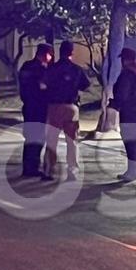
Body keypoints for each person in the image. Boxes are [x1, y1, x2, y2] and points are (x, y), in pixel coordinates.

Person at [40, 41, 91, 182]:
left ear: (60, 51)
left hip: (54, 107)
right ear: (72, 53)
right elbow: (86, 86)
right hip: (71, 108)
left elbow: (42, 85)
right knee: (72, 141)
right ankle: (72, 171)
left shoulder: (51, 69)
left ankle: (49, 171)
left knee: (51, 140)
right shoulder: (77, 69)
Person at [110, 47, 136, 182]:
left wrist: (115, 104)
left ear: (125, 59)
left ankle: (131, 171)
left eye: (122, 59)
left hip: (128, 110)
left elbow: (122, 93)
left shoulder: (127, 74)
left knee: (129, 141)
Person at [18, 43, 54, 178]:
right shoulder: (39, 70)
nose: (50, 58)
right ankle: (32, 167)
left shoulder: (26, 66)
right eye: (50, 54)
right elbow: (44, 88)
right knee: (37, 138)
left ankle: (28, 167)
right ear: (45, 54)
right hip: (39, 108)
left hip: (28, 107)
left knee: (30, 139)